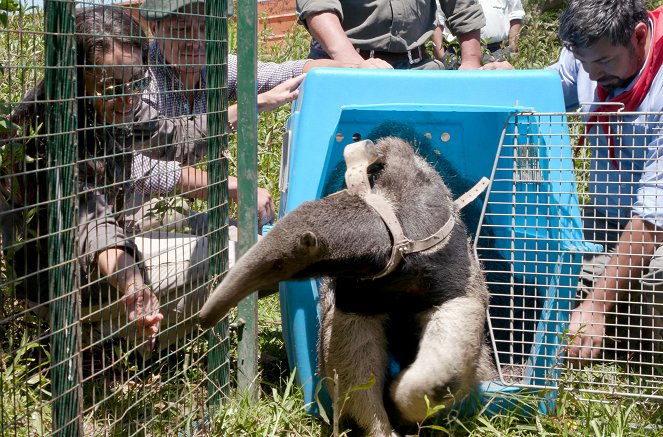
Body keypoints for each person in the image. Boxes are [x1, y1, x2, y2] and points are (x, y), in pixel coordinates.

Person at [8, 5, 209, 356]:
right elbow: (92, 225)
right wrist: (132, 283)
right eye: (113, 86)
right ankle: (106, 336)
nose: (128, 96)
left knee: (179, 217)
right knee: (228, 247)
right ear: (76, 77)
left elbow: (173, 138)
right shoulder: (54, 132)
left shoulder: (116, 101)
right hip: (56, 282)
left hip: (101, 251)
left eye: (137, 82)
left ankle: (113, 332)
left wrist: (246, 111)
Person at [131, 0, 349, 234]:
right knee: (186, 220)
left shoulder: (215, 67)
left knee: (251, 237)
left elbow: (278, 73)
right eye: (182, 29)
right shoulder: (141, 77)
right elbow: (135, 167)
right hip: (124, 209)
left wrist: (352, 67)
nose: (196, 41)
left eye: (206, 28)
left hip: (171, 204)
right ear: (155, 29)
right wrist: (233, 185)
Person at [548, 0, 663, 363]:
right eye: (583, 63)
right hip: (604, 217)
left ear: (639, 36)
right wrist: (504, 83)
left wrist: (597, 305)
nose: (592, 75)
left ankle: (636, 349)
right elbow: (553, 89)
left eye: (604, 62)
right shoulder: (589, 56)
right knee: (553, 275)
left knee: (654, 283)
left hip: (654, 228)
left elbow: (653, 209)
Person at [296, 0, 486, 70]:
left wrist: (471, 61)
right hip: (344, 68)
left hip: (418, 69)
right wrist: (354, 65)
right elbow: (319, 8)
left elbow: (462, 5)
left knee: (429, 152)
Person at [434, 0, 525, 69]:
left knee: (496, 91)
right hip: (456, 51)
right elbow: (437, 21)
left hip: (496, 51)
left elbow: (515, 15)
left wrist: (512, 51)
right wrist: (442, 59)